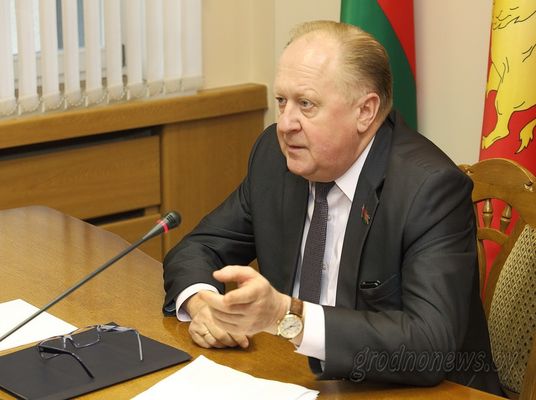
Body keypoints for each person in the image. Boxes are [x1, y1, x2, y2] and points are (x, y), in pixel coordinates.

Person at [163, 20, 503, 395]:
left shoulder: (428, 189)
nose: (285, 124)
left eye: (306, 104)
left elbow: (430, 344)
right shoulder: (275, 158)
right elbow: (199, 247)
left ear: (365, 111)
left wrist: (287, 317)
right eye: (282, 101)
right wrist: (204, 305)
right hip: (293, 378)